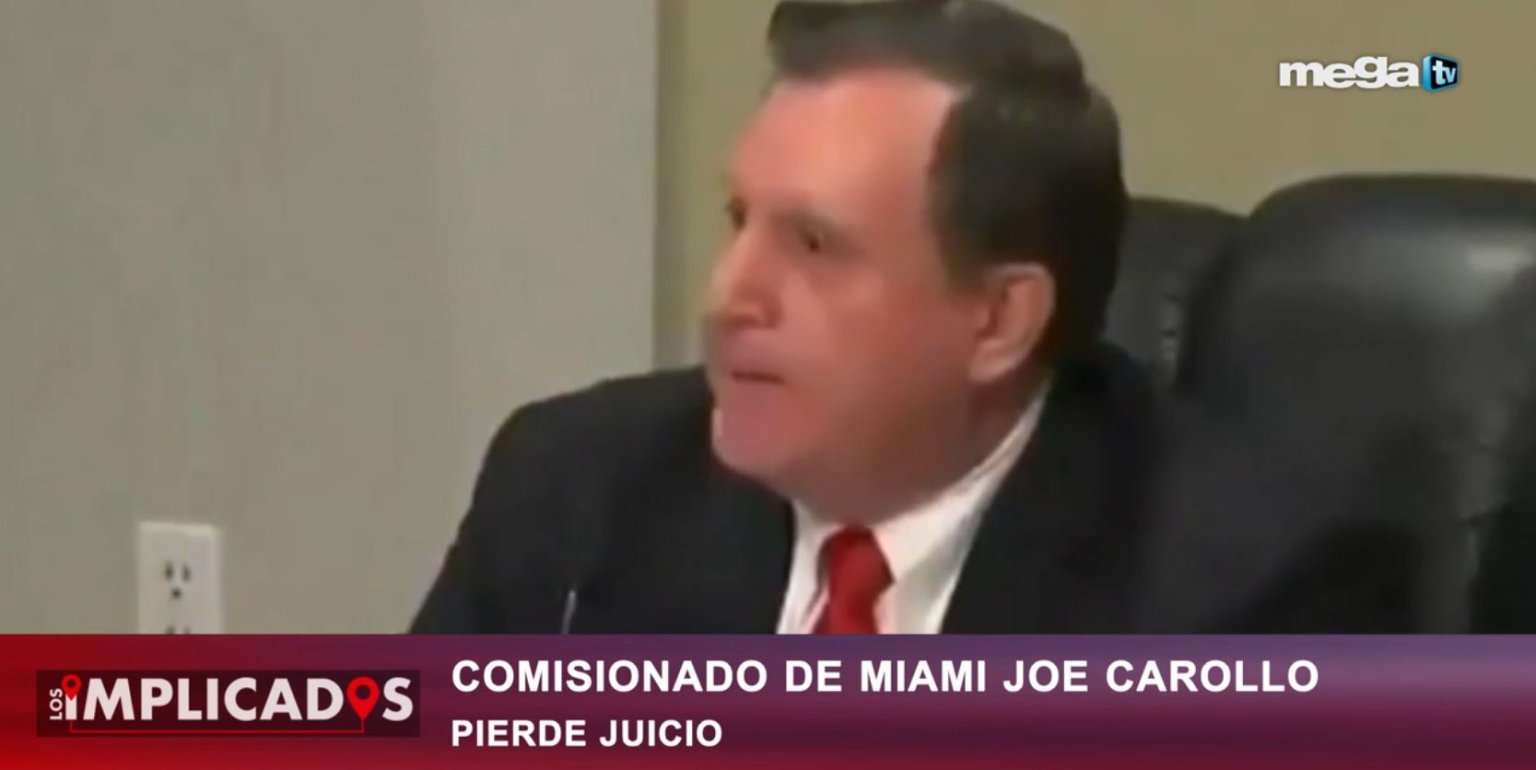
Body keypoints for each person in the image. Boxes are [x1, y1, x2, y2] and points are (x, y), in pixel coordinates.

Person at [411, 0, 1413, 634]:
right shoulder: (573, 490)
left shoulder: (1251, 587)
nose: (729, 295)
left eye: (813, 245)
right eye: (740, 220)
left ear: (998, 319)